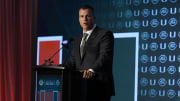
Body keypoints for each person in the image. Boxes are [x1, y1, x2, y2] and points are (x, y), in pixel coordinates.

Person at [64, 4, 115, 101]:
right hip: (80, 87)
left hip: (99, 87)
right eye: (82, 16)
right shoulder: (78, 40)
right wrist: (57, 68)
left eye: (88, 16)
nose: (85, 19)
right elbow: (73, 62)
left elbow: (105, 56)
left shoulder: (105, 34)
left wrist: (91, 70)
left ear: (94, 18)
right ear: (79, 19)